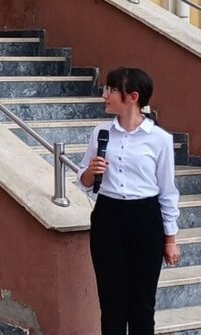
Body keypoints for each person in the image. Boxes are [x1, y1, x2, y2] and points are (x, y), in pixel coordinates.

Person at [77, 67, 181, 335]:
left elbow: (167, 191)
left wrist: (170, 239)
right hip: (108, 217)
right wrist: (91, 171)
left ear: (133, 97)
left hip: (145, 219)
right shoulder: (101, 133)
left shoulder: (160, 139)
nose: (105, 95)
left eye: (111, 90)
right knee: (111, 303)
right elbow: (83, 182)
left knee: (142, 304)